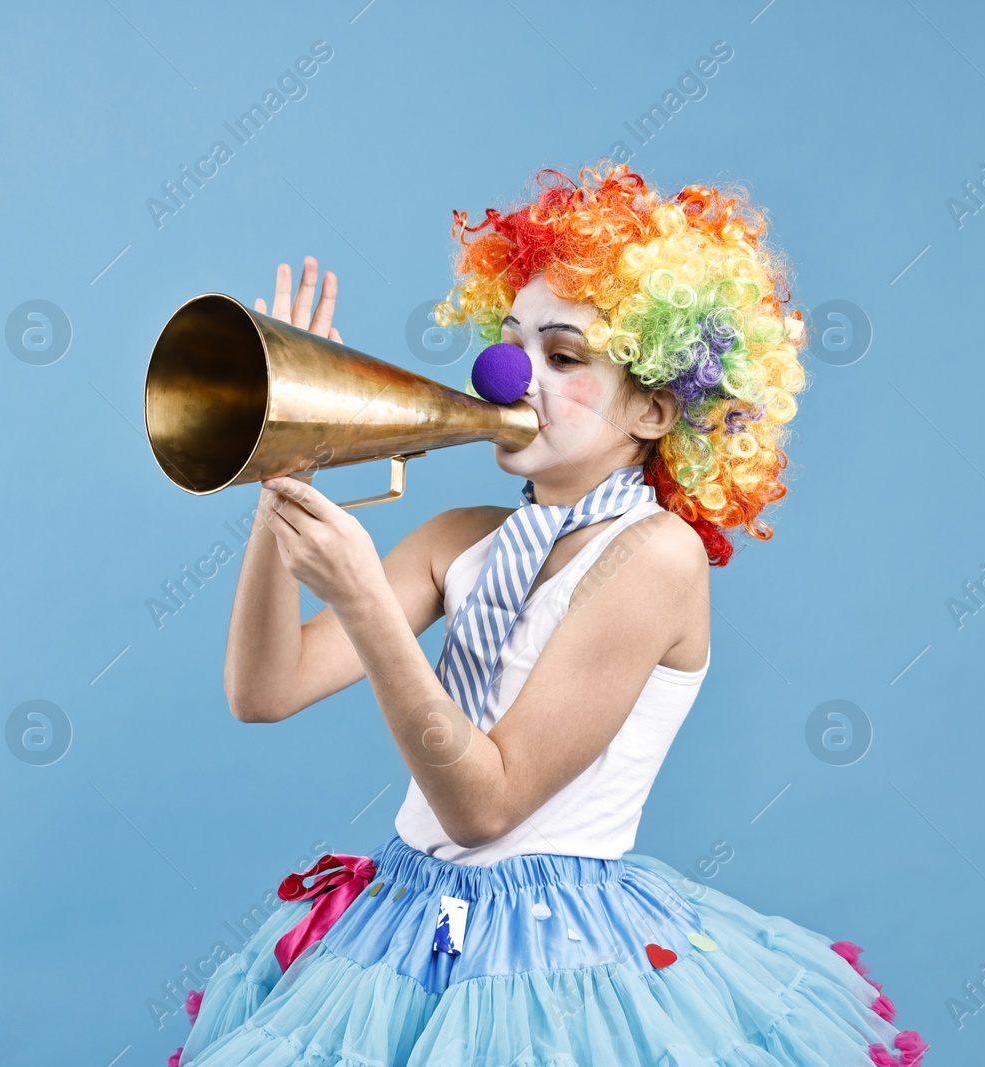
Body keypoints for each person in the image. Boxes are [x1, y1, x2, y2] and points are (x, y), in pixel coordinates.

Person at [166, 162, 928, 1066]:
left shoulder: (654, 558)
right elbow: (265, 688)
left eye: (562, 356)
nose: (507, 374)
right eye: (508, 339)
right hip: (407, 925)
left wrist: (367, 600)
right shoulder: (464, 538)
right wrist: (279, 462)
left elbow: (484, 806)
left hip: (553, 957)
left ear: (652, 406)